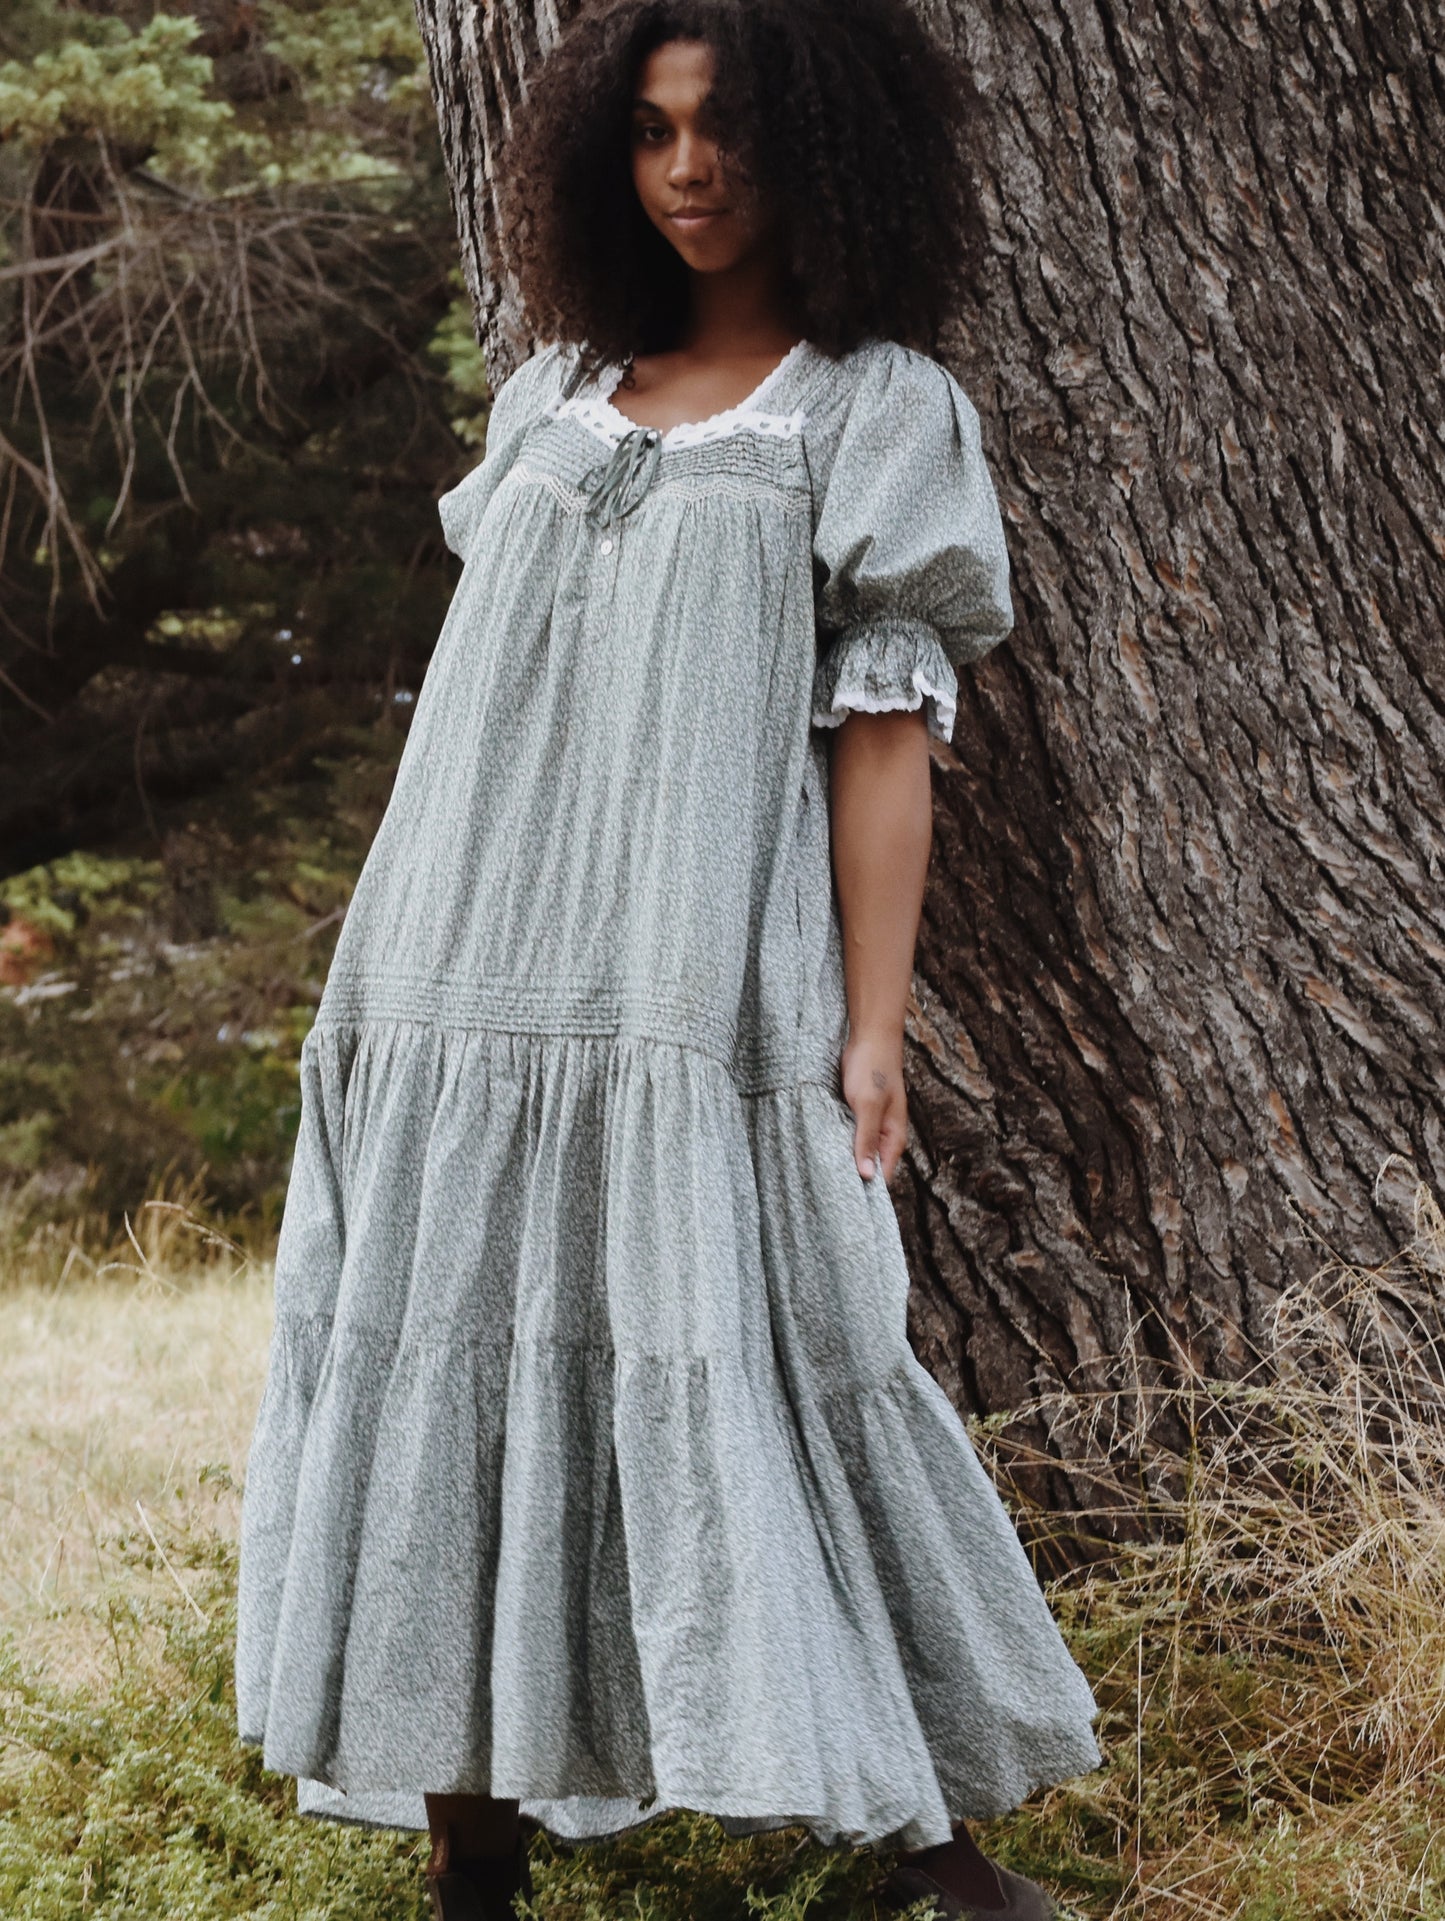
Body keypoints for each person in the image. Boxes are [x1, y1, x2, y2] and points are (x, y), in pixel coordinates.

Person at [233, 0, 1102, 1915]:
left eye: (726, 130)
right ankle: (471, 1849)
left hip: (690, 989)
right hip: (451, 973)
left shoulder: (871, 410)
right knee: (439, 1368)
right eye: (648, 131)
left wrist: (869, 1030)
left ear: (827, 154)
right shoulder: (547, 394)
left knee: (793, 1346)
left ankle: (916, 1835)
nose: (690, 169)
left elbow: (886, 746)